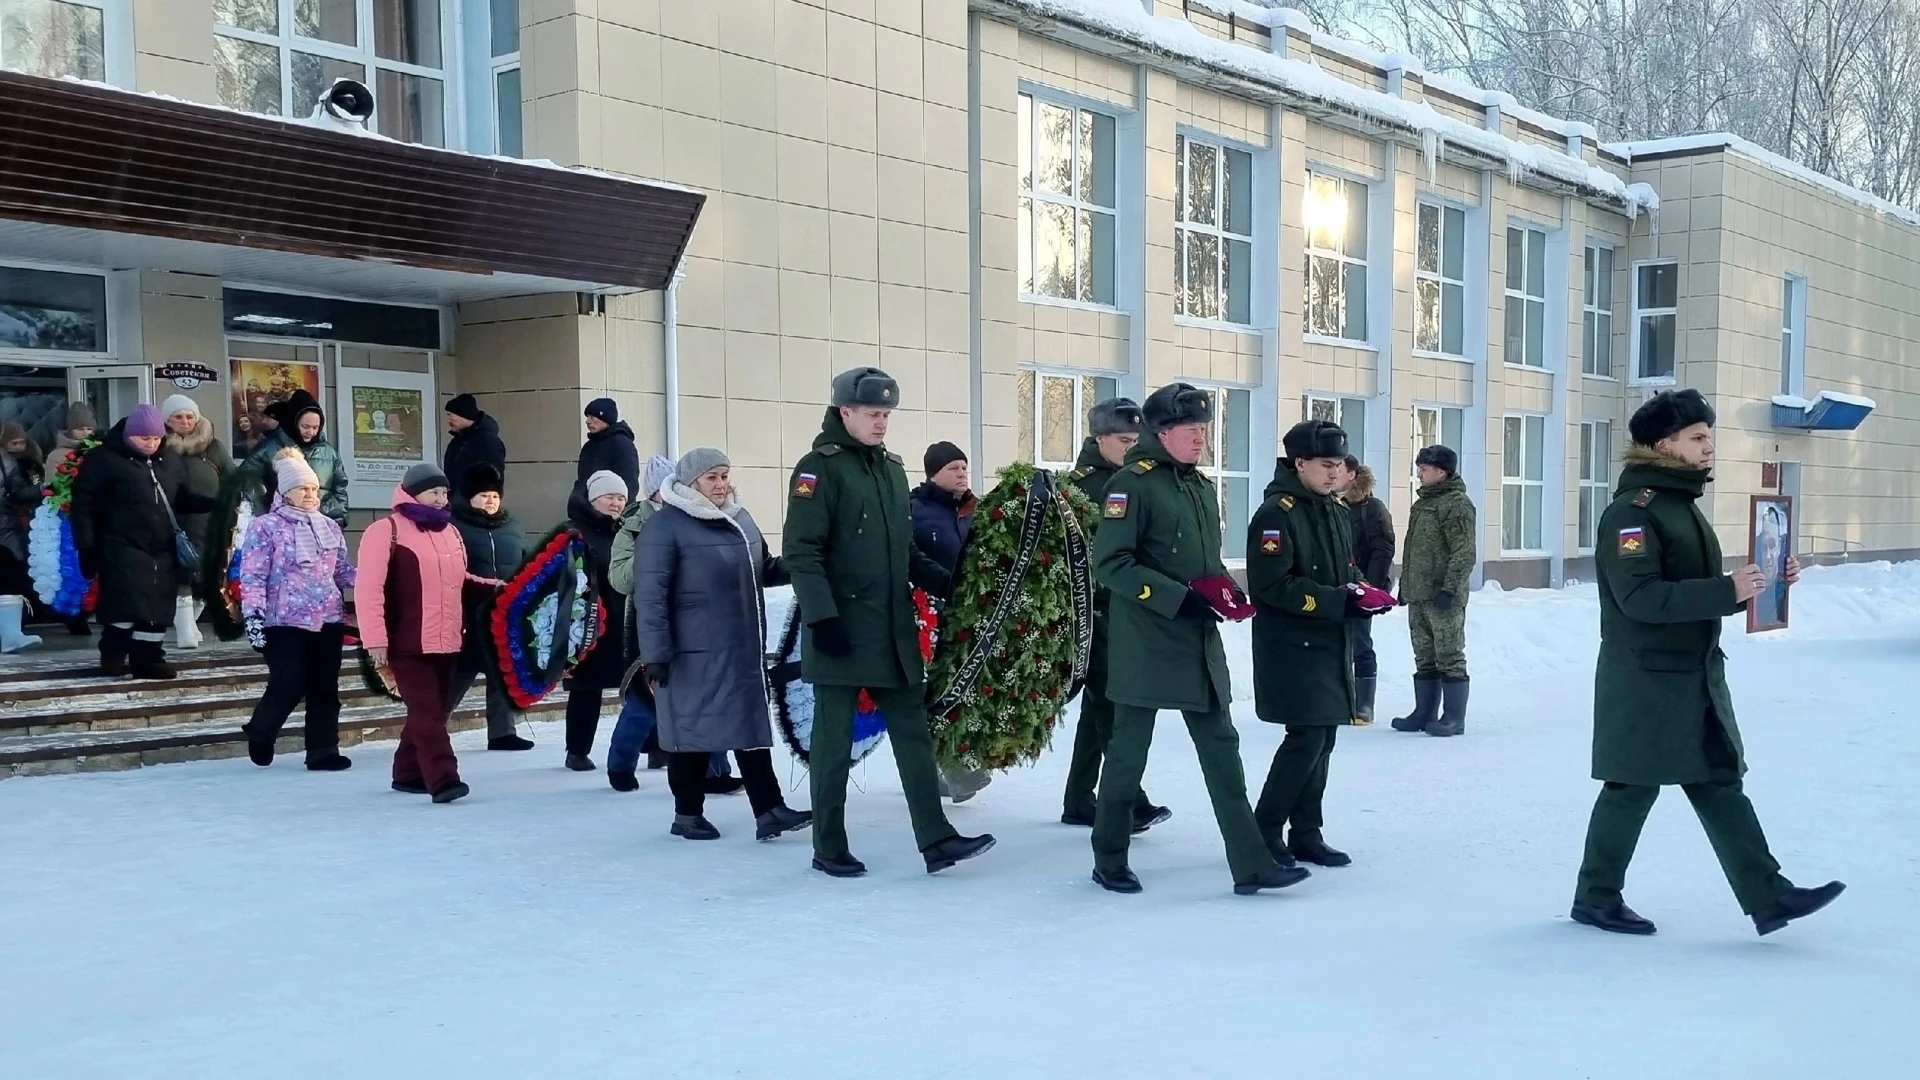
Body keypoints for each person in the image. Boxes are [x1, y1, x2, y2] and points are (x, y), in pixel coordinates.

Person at [1571, 388, 1844, 937]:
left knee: (1718, 778)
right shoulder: (1633, 512)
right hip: (1646, 679)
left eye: (1708, 437)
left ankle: (1769, 896)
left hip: (1692, 674)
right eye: (1696, 438)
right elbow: (1641, 597)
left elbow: (1696, 585)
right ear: (1662, 445)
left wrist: (1763, 582)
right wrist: (1727, 589)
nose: (1708, 447)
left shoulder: (1678, 506)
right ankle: (1596, 897)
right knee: (1631, 786)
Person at [1084, 382, 1307, 896]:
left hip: (1198, 644)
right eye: (1191, 431)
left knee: (1223, 751)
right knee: (1127, 756)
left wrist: (1224, 591)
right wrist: (1175, 597)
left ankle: (1251, 864)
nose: (1201, 439)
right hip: (1145, 643)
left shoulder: (1199, 486)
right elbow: (1111, 564)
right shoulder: (1130, 485)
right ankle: (1110, 856)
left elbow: (1203, 561)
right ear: (1161, 433)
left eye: (1205, 430)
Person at [784, 366, 995, 878]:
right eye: (873, 414)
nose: (882, 423)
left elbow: (903, 552)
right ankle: (828, 845)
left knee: (913, 735)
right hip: (841, 630)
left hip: (892, 629)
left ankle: (936, 838)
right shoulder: (818, 469)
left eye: (887, 415)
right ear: (845, 412)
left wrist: (948, 582)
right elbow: (801, 552)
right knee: (833, 746)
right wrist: (822, 617)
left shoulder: (891, 469)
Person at [633, 447, 812, 841]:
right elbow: (650, 596)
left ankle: (769, 810)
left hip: (741, 648)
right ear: (690, 481)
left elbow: (762, 569)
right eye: (712, 477)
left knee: (748, 727)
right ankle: (687, 815)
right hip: (689, 652)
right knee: (692, 732)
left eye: (724, 475)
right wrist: (656, 654)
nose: (720, 484)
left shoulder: (740, 519)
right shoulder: (666, 527)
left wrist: (801, 563)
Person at [1248, 422, 1396, 870]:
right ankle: (1264, 830)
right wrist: (1339, 601)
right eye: (1327, 466)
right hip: (1294, 646)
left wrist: (1364, 590)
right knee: (1306, 738)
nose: (1336, 475)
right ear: (1300, 464)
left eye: (1341, 467)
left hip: (1331, 642)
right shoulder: (1278, 513)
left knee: (1324, 738)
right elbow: (1272, 585)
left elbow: (1344, 567)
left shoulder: (1331, 509)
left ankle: (1307, 832)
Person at [1059, 397, 1170, 832]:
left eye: (1136, 440)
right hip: (1093, 612)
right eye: (1124, 440)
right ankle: (1130, 800)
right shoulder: (1083, 487)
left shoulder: (1130, 480)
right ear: (1098, 438)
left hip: (1122, 609)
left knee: (1098, 706)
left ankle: (1078, 799)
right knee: (1110, 705)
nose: (1131, 447)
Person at [70, 404, 217, 680]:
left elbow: (181, 499)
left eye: (156, 438)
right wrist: (86, 546)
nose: (151, 444)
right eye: (144, 438)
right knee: (126, 603)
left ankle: (148, 658)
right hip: (119, 544)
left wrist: (214, 503)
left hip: (161, 546)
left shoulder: (170, 461)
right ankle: (114, 652)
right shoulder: (103, 460)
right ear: (129, 436)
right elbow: (84, 505)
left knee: (157, 607)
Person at [358, 463, 477, 803]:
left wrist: (497, 588)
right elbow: (369, 589)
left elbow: (461, 580)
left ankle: (407, 773)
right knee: (427, 713)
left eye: (444, 492)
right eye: (433, 492)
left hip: (448, 638)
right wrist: (375, 640)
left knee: (431, 711)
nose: (441, 499)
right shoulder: (386, 530)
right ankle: (444, 779)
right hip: (406, 640)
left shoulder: (451, 532)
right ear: (412, 492)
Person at [237, 452, 355, 771]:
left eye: (314, 489)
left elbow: (341, 571)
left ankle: (323, 749)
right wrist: (253, 617)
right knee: (288, 682)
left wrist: (375, 577)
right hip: (282, 620)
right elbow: (253, 574)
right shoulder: (266, 527)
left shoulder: (329, 526)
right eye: (302, 488)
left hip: (327, 618)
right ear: (285, 491)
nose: (309, 495)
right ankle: (261, 731)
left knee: (325, 687)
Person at [907, 439, 992, 804]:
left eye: (964, 467)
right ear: (933, 473)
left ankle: (952, 767)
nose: (962, 473)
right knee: (935, 693)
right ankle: (953, 769)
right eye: (953, 468)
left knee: (962, 690)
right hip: (926, 615)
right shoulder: (914, 511)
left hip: (968, 613)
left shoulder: (976, 510)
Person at [1390, 444, 1475, 737]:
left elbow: (1463, 552)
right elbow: (1414, 549)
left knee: (1449, 654)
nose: (1419, 473)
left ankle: (1453, 718)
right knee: (1424, 654)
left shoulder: (1456, 504)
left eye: (1424, 469)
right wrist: (1405, 586)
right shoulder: (1423, 503)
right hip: (1419, 594)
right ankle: (1423, 712)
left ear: (1441, 472)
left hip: (1443, 597)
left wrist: (1450, 589)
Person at [447, 464, 533, 752]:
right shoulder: (453, 525)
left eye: (494, 496)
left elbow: (526, 562)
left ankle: (502, 732)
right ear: (469, 497)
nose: (490, 501)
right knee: (460, 673)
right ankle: (431, 727)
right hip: (469, 611)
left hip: (506, 612)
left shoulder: (513, 526)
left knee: (502, 670)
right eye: (483, 495)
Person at [561, 469, 630, 772]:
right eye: (610, 497)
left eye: (621, 498)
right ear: (593, 499)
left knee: (641, 686)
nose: (616, 503)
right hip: (587, 623)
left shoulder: (625, 531)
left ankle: (655, 747)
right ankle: (577, 750)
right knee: (586, 689)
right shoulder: (574, 532)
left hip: (625, 620)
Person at [160, 394, 233, 650]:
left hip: (209, 521)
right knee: (182, 575)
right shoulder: (159, 445)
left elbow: (231, 478)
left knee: (207, 578)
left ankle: (191, 621)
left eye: (189, 416)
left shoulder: (213, 446)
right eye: (178, 417)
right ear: (167, 420)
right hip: (173, 521)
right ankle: (185, 630)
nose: (185, 421)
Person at [1340, 455, 1395, 724]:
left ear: (1352, 475)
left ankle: (1364, 706)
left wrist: (1370, 587)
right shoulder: (1330, 503)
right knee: (1336, 644)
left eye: (1339, 468)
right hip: (1335, 586)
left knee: (1360, 642)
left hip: (1363, 587)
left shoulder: (1371, 508)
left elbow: (1383, 549)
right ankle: (1341, 701)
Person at [42, 402, 96, 637]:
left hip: (93, 516)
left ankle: (89, 607)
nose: (85, 434)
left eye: (89, 429)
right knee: (72, 566)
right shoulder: (58, 455)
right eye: (80, 429)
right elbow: (54, 489)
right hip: (68, 518)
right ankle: (73, 614)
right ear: (70, 430)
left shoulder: (96, 452)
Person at [0, 422, 44, 654]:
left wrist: (43, 489)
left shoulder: (6, 461)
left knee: (9, 580)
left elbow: (17, 491)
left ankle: (10, 634)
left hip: (4, 530)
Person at [569, 397, 639, 519]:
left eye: (592, 417)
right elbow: (582, 481)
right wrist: (575, 505)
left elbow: (629, 483)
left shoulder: (622, 445)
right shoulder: (589, 446)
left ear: (605, 418)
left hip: (611, 519)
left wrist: (620, 516)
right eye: (587, 417)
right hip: (586, 516)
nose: (587, 422)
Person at [442, 393, 507, 504]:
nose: (447, 420)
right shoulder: (458, 440)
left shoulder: (487, 441)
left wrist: (483, 501)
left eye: (450, 415)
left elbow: (494, 476)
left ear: (463, 415)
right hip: (457, 503)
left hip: (475, 505)